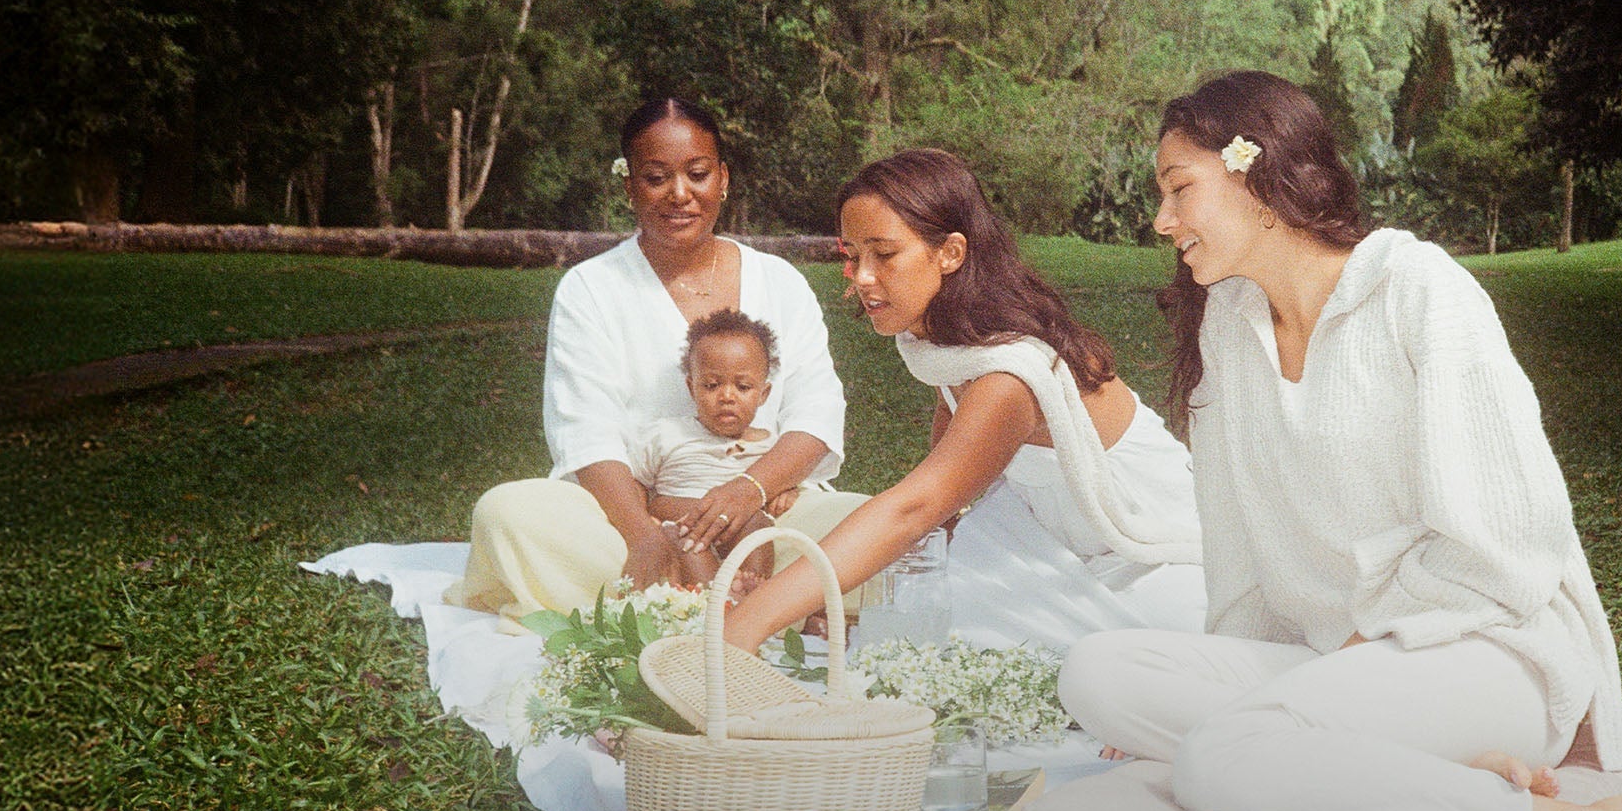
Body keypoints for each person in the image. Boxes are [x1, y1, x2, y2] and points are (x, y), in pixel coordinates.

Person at [1056, 71, 1622, 811]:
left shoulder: (1418, 290)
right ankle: (1412, 766)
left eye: (1180, 190)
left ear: (1258, 177)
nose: (1162, 220)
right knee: (1097, 675)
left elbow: (1510, 547)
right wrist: (1261, 689)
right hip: (1341, 664)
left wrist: (1313, 681)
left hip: (1487, 650)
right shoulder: (1229, 328)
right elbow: (1242, 567)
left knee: (1216, 761)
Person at [722, 149, 1204, 653]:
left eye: (884, 254)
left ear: (951, 253)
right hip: (1064, 544)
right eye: (853, 255)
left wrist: (754, 618)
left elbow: (913, 508)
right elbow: (940, 500)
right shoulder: (951, 349)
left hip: (1154, 564)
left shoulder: (1007, 378)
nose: (862, 276)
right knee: (911, 625)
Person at [449, 99, 865, 618]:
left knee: (874, 526)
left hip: (768, 514)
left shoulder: (780, 280)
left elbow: (816, 412)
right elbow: (586, 433)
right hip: (633, 515)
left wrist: (750, 489)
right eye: (655, 178)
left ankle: (678, 604)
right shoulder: (590, 288)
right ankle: (781, 605)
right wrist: (643, 536)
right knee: (506, 514)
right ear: (630, 188)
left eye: (697, 174)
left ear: (723, 179)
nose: (680, 194)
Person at [626, 310, 805, 589]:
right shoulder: (667, 434)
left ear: (763, 394)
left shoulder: (770, 445)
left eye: (743, 387)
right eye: (711, 386)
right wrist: (643, 518)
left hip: (740, 527)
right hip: (682, 524)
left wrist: (787, 491)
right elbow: (635, 479)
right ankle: (712, 596)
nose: (727, 396)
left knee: (759, 525)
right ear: (692, 388)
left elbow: (782, 480)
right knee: (683, 538)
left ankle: (752, 586)